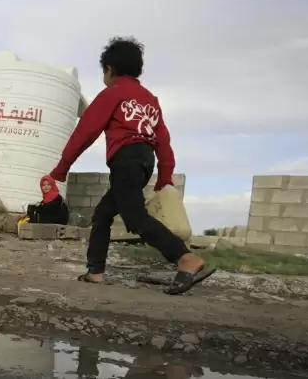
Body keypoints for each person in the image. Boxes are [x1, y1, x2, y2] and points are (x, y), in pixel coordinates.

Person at [49, 36, 214, 295]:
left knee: (135, 217)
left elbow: (85, 131)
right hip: (144, 160)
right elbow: (164, 141)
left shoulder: (112, 93)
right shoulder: (150, 100)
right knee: (103, 214)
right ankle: (95, 272)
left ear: (109, 69)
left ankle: (184, 257)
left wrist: (62, 167)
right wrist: (165, 174)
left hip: (125, 159)